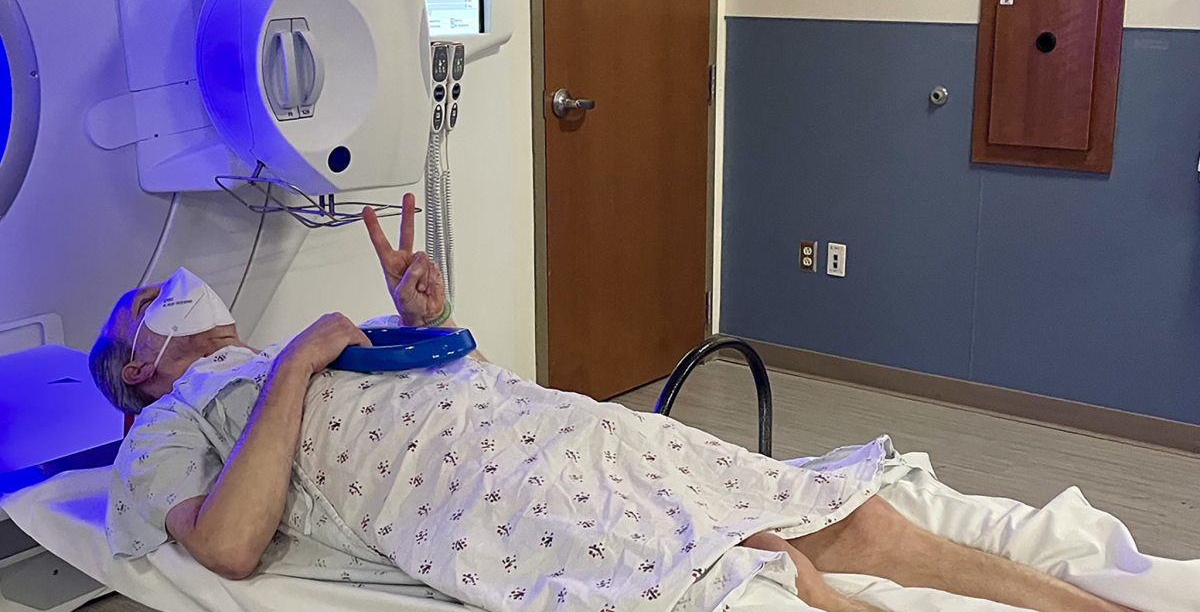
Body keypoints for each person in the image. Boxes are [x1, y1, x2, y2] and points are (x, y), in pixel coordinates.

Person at [89, 195, 1133, 612]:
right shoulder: (173, 426)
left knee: (855, 517)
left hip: (550, 421)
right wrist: (288, 366)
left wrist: (431, 320)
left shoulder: (284, 356)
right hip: (494, 491)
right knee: (768, 577)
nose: (187, 296)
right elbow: (226, 545)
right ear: (137, 364)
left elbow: (455, 391)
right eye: (155, 305)